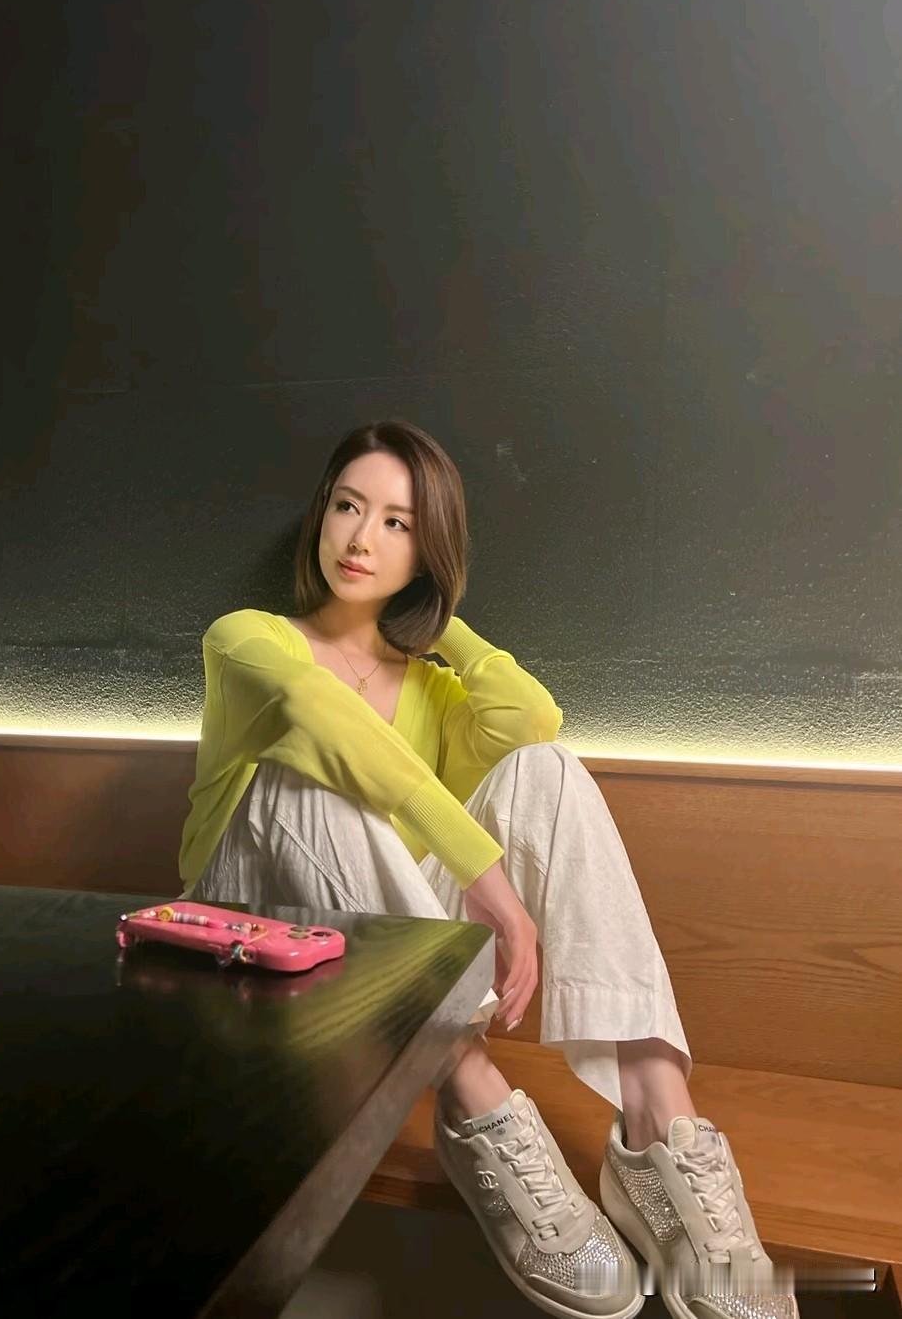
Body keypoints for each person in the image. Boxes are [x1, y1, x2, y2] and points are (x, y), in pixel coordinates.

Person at [179, 421, 796, 1319]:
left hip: (381, 960)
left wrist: (437, 621)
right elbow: (321, 721)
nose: (361, 538)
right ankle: (470, 1088)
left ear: (426, 550)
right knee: (302, 775)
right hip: (254, 947)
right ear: (320, 515)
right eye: (348, 506)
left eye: (397, 523)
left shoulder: (429, 684)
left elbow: (529, 720)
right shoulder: (245, 640)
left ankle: (656, 1116)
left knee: (548, 768)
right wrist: (489, 884)